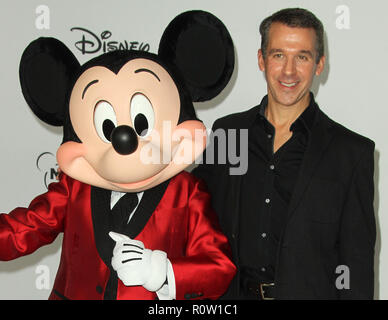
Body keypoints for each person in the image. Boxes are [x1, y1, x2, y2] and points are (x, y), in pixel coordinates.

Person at [192, 8, 376, 300]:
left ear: (319, 65)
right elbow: (192, 211)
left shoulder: (351, 153)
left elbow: (356, 264)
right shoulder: (230, 133)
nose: (288, 71)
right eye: (278, 55)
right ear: (261, 60)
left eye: (301, 57)